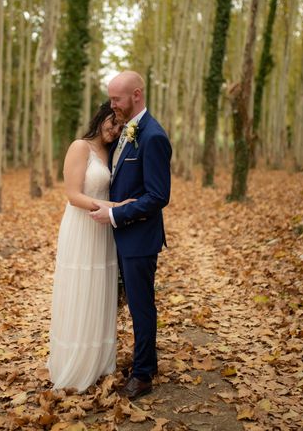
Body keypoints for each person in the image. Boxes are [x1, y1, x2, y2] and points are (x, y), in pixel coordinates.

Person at [90, 71, 172, 400]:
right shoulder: (127, 130)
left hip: (139, 238)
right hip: (122, 237)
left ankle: (142, 376)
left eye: (117, 99)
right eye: (110, 98)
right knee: (136, 304)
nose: (112, 105)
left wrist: (114, 214)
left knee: (141, 306)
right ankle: (146, 362)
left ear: (136, 95)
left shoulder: (153, 136)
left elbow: (157, 196)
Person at [48, 101, 133, 392]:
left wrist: (113, 212)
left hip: (103, 230)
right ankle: (75, 365)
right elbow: (73, 195)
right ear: (101, 117)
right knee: (80, 289)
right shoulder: (79, 147)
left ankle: (98, 362)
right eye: (113, 122)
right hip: (81, 227)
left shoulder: (111, 152)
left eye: (121, 126)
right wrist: (116, 207)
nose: (115, 130)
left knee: (100, 290)